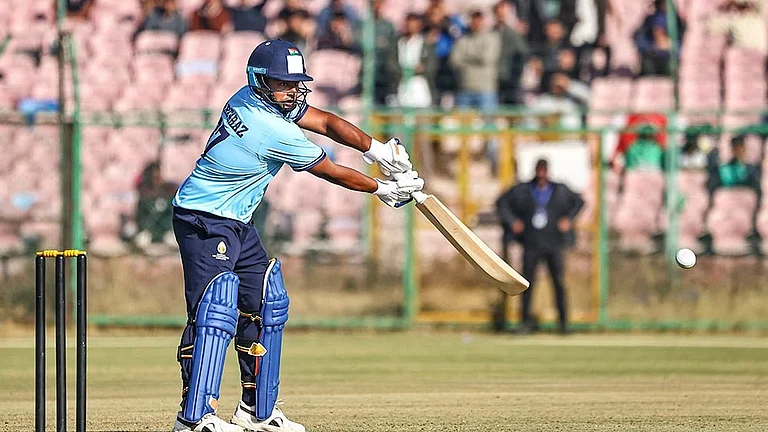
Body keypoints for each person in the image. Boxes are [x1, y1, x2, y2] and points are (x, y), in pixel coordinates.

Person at [170, 39, 424, 432]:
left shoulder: (258, 100)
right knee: (213, 310)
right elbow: (330, 170)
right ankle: (194, 419)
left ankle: (257, 411)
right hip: (203, 219)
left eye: (295, 82)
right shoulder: (267, 126)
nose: (293, 90)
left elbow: (326, 122)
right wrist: (383, 189)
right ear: (259, 81)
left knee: (266, 303)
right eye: (282, 83)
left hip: (237, 220)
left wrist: (377, 150)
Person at [495, 159, 584, 334]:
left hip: (554, 244)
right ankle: (525, 322)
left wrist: (569, 219)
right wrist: (513, 222)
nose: (541, 174)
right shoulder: (523, 190)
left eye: (544, 170)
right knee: (527, 284)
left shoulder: (559, 190)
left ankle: (563, 323)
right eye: (539, 170)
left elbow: (579, 202)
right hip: (531, 244)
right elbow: (501, 203)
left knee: (558, 283)